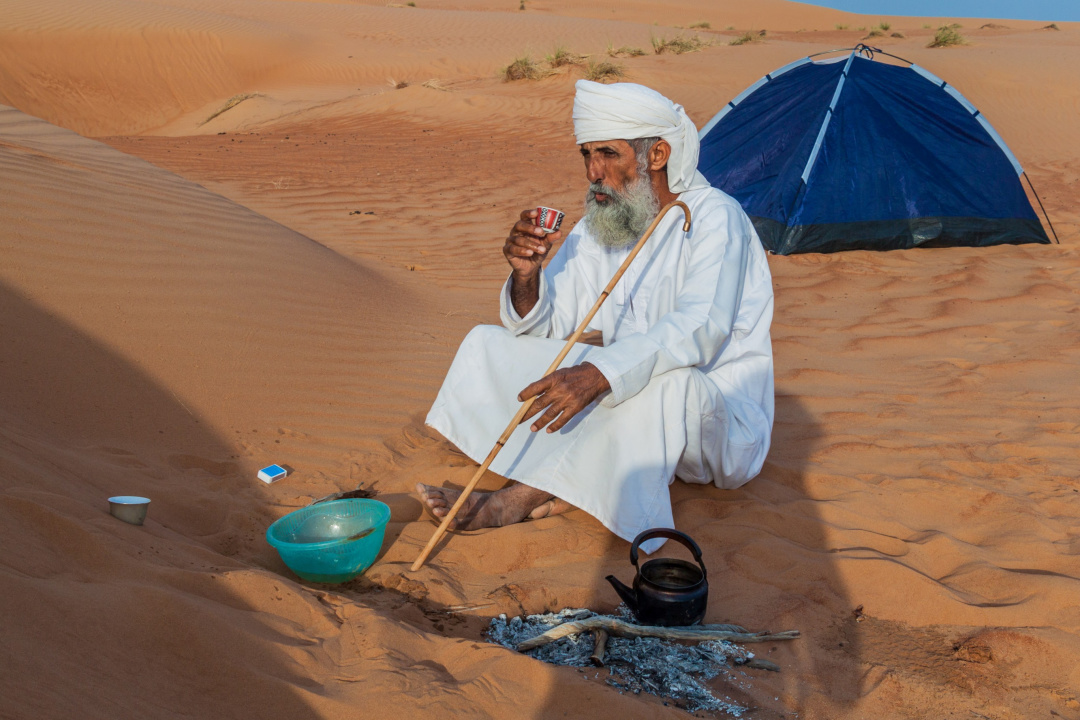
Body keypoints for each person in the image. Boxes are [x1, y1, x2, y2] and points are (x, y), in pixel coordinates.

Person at [417, 80, 774, 553]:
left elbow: (699, 328)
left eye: (608, 153)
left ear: (657, 155)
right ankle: (578, 482)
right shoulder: (603, 222)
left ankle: (518, 498)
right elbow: (548, 326)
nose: (593, 172)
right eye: (586, 154)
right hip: (629, 395)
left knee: (656, 380)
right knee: (491, 342)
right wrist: (527, 276)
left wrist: (599, 372)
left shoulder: (715, 217)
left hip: (714, 423)